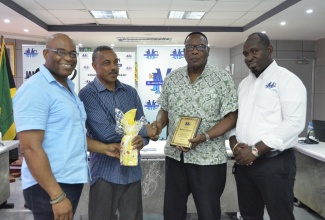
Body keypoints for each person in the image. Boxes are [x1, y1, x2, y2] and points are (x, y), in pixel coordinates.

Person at [13, 33, 119, 220]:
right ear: (46, 53)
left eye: (72, 53)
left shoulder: (67, 87)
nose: (68, 58)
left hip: (68, 181)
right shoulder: (35, 89)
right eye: (60, 52)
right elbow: (30, 147)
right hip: (49, 185)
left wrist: (105, 148)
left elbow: (72, 135)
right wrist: (57, 196)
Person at [150, 32, 238, 220]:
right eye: (190, 47)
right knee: (173, 211)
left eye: (200, 47)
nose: (195, 51)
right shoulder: (172, 78)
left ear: (207, 51)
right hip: (176, 157)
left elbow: (231, 117)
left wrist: (204, 137)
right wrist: (158, 123)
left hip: (208, 160)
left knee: (208, 212)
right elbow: (164, 109)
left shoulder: (222, 79)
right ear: (184, 52)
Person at [229, 32, 307, 220]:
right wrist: (235, 144)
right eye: (246, 54)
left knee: (280, 215)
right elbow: (236, 120)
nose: (249, 58)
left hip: (274, 164)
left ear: (269, 50)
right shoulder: (244, 84)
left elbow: (294, 123)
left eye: (254, 51)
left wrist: (256, 150)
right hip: (244, 165)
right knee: (249, 215)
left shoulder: (288, 80)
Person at [78, 45, 153, 220]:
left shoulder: (130, 92)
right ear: (94, 65)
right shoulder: (88, 94)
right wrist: (144, 130)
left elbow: (144, 125)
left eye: (115, 62)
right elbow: (105, 132)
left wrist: (143, 140)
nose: (113, 67)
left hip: (132, 171)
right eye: (106, 63)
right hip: (105, 173)